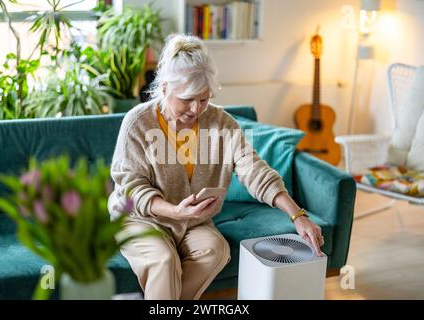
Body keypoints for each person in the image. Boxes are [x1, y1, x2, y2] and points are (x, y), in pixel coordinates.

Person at [108, 34, 324, 300]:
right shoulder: (138, 122)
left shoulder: (222, 124)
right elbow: (132, 188)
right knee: (164, 261)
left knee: (216, 250)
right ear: (164, 88)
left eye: (204, 98)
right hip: (140, 219)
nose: (196, 108)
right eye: (187, 99)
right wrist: (174, 211)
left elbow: (254, 170)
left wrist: (298, 216)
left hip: (193, 222)